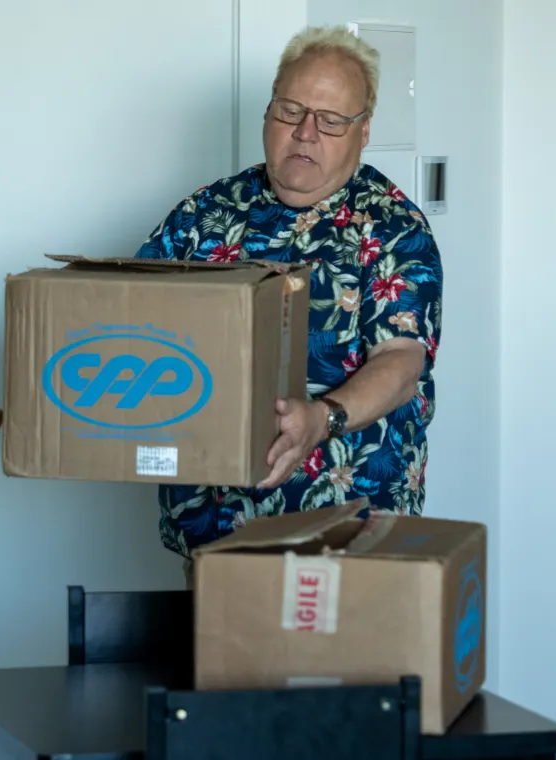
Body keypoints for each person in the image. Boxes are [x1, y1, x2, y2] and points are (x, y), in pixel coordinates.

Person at [134, 25, 443, 579]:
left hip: (349, 531)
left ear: (363, 130)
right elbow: (123, 322)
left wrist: (320, 419)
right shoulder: (203, 215)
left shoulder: (395, 228)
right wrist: (64, 404)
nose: (305, 133)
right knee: (221, 667)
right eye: (289, 111)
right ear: (267, 114)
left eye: (330, 120)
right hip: (215, 528)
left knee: (342, 668)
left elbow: (401, 363)